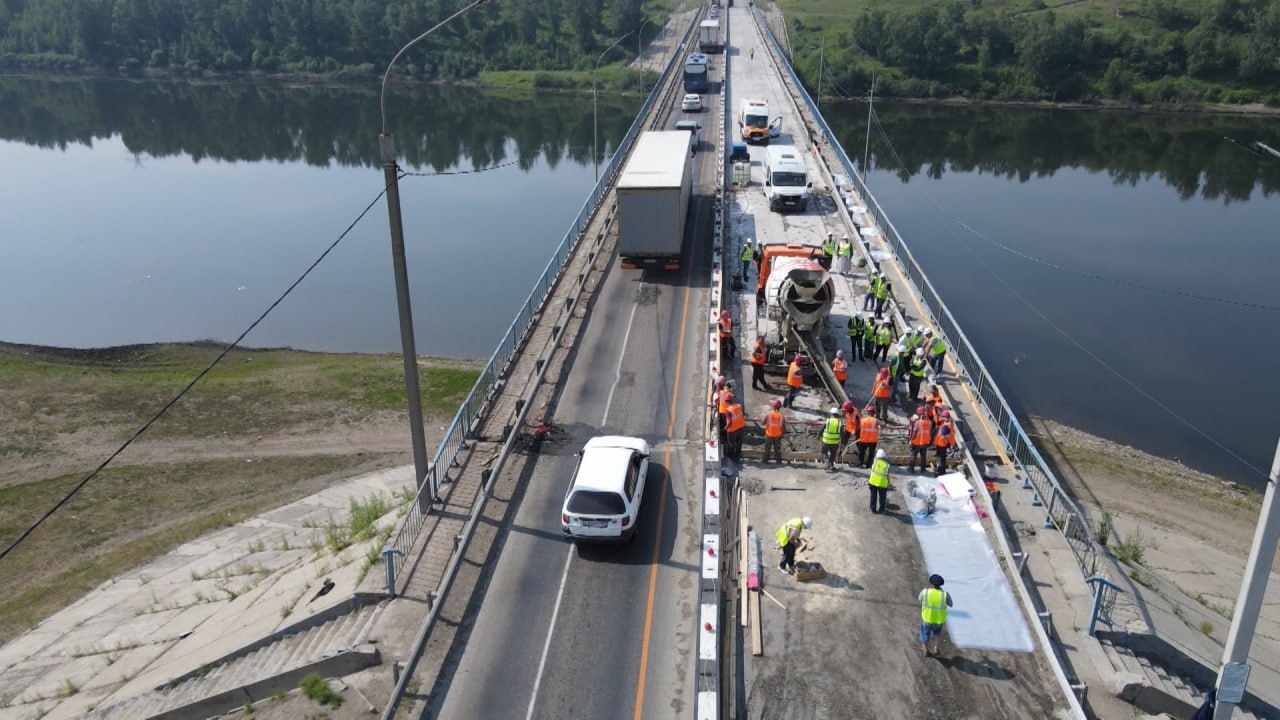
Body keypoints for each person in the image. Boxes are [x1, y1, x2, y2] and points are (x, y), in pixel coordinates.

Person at [919, 574, 954, 655]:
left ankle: (925, 650)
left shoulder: (925, 592)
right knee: (937, 634)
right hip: (939, 620)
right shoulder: (945, 595)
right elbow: (951, 604)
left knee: (924, 634)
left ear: (931, 583)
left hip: (927, 619)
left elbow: (919, 599)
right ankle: (936, 648)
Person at [868, 448, 890, 513]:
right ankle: (881, 510)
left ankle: (873, 509)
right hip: (882, 484)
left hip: (872, 482)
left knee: (873, 496)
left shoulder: (874, 462)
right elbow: (887, 475)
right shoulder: (886, 465)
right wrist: (888, 482)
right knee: (882, 497)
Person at [821, 407, 842, 472]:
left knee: (824, 452)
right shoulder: (839, 423)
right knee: (833, 454)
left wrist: (819, 435)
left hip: (826, 441)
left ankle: (828, 465)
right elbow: (842, 433)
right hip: (835, 442)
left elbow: (822, 429)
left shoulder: (828, 421)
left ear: (831, 414)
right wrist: (843, 443)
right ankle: (831, 465)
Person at [934, 411, 955, 476]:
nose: (941, 418)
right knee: (941, 458)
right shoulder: (949, 424)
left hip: (941, 444)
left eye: (943, 417)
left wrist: (946, 442)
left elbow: (943, 436)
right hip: (942, 444)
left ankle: (941, 472)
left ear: (945, 417)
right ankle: (941, 470)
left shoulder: (946, 426)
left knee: (940, 458)